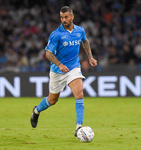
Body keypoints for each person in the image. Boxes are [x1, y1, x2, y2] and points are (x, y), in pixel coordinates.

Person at [30, 6, 97, 137]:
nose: (64, 20)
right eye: (61, 17)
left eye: (66, 17)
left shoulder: (80, 30)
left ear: (72, 17)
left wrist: (90, 57)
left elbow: (85, 41)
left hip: (73, 68)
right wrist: (59, 64)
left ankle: (78, 128)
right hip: (57, 70)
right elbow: (48, 53)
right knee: (52, 100)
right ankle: (36, 111)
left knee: (79, 94)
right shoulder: (56, 34)